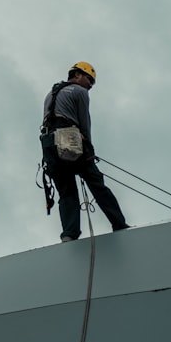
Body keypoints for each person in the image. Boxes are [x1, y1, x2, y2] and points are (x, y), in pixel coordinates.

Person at [41, 61, 129, 242]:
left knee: (66, 192)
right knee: (96, 183)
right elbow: (84, 123)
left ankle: (69, 235)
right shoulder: (80, 92)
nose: (90, 85)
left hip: (49, 144)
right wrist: (89, 150)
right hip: (68, 138)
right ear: (77, 75)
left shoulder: (50, 94)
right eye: (89, 79)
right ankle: (119, 224)